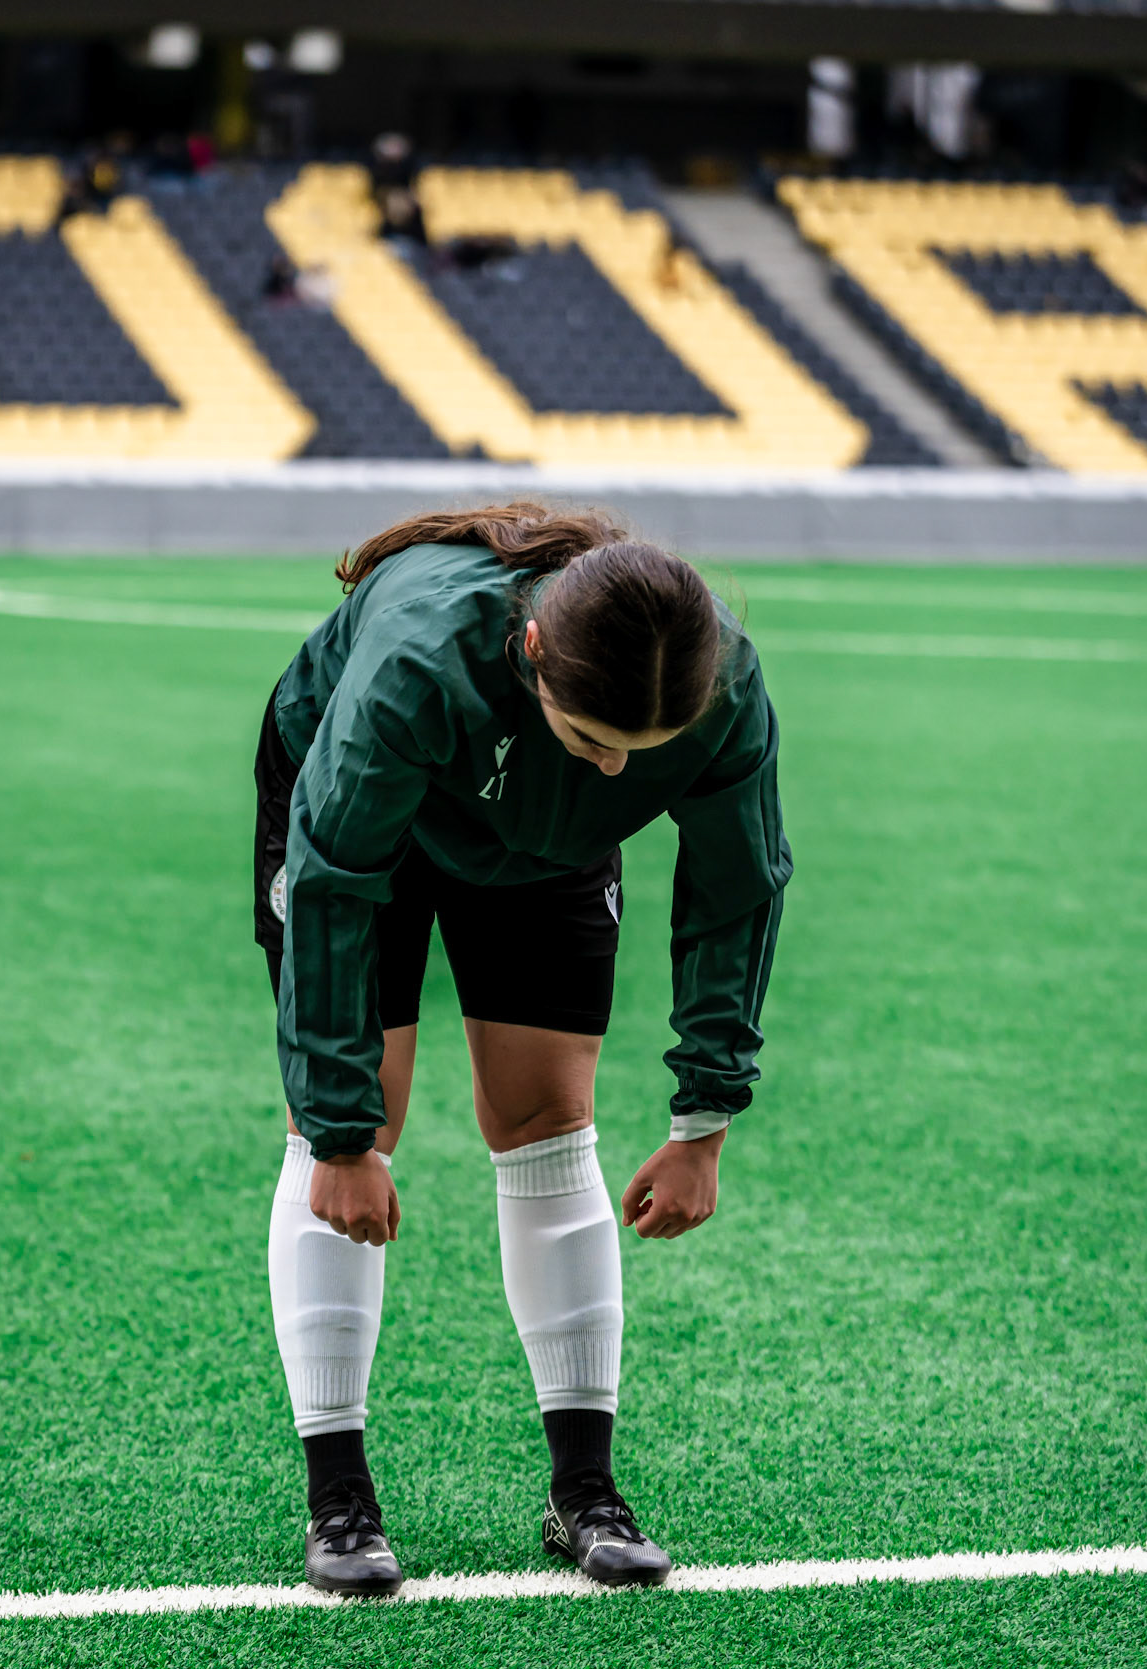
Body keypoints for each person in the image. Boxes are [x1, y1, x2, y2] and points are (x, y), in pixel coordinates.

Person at [253, 503, 791, 1598]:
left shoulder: (721, 687)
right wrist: (344, 1140)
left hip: (543, 851)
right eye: (594, 740)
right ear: (533, 650)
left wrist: (703, 1119)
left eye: (637, 759)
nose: (613, 773)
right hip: (369, 834)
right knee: (358, 1120)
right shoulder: (416, 667)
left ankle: (584, 1490)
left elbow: (737, 889)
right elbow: (329, 884)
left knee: (548, 1117)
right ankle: (340, 1501)